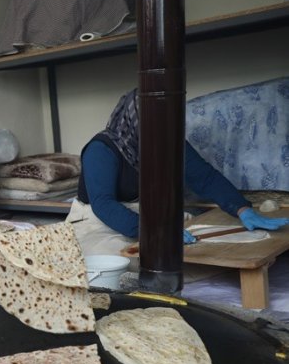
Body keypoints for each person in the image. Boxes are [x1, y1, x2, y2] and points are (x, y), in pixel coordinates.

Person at [66, 88, 289, 258]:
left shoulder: (166, 138)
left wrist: (241, 208)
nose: (162, 132)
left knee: (194, 248)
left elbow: (204, 177)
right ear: (135, 122)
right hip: (97, 222)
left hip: (142, 215)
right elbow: (103, 205)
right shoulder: (102, 150)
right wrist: (154, 231)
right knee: (125, 259)